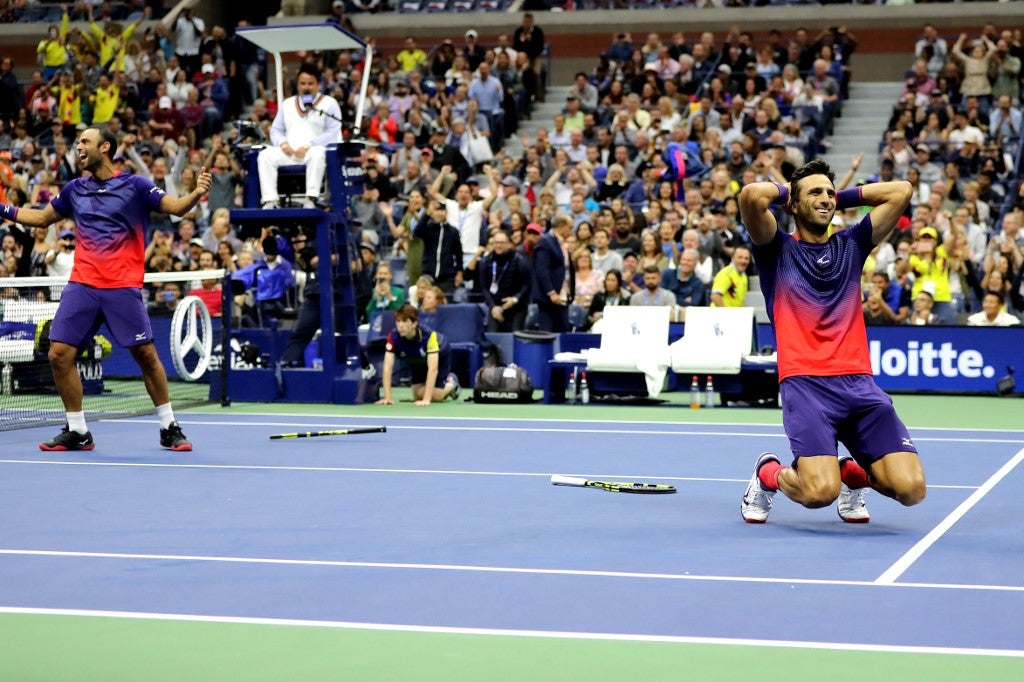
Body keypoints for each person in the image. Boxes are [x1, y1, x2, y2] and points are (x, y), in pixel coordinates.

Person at [0, 126, 212, 452]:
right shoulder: (74, 189)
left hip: (122, 287)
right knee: (58, 354)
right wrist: (4, 209)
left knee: (145, 355)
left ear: (106, 147)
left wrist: (196, 193)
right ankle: (78, 430)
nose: (79, 147)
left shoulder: (135, 186)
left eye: (85, 142)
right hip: (82, 284)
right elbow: (42, 218)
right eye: (78, 142)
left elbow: (174, 207)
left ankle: (169, 426)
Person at [737, 159, 926, 525]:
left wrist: (841, 196)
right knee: (818, 493)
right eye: (815, 193)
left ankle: (851, 476)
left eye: (829, 193)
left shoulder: (852, 245)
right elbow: (750, 195)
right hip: (806, 385)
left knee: (911, 490)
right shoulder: (775, 250)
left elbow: (901, 190)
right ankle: (767, 474)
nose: (825, 199)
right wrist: (787, 191)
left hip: (859, 385)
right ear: (792, 203)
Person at [257, 63, 342, 209]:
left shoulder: (329, 103)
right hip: (290, 151)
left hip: (313, 152)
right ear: (297, 85)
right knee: (265, 155)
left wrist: (309, 145)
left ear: (317, 84)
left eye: (310, 83)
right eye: (303, 83)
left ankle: (310, 198)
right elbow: (275, 130)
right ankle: (270, 200)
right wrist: (283, 143)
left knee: (317, 153)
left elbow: (333, 132)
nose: (306, 87)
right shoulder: (287, 104)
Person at [375, 304, 459, 407]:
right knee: (417, 395)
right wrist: (388, 398)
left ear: (414, 323)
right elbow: (387, 367)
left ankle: (451, 383)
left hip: (440, 353)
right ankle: (434, 389)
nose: (400, 325)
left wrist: (426, 399)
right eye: (398, 321)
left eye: (405, 321)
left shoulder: (428, 337)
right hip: (416, 359)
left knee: (436, 396)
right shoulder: (393, 337)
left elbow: (433, 369)